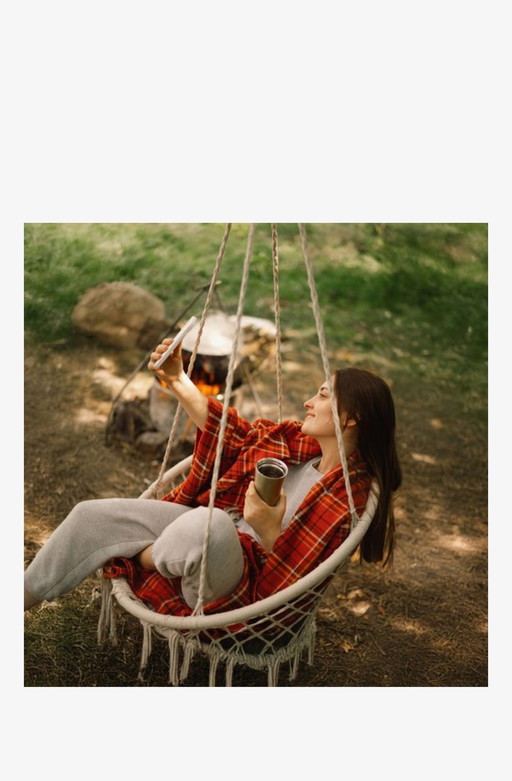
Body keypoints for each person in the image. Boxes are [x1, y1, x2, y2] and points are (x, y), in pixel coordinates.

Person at [24, 337, 402, 615]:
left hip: (238, 590)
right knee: (91, 514)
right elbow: (233, 435)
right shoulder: (298, 450)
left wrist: (267, 530)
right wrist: (176, 379)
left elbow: (291, 588)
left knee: (210, 521)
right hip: (206, 543)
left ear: (350, 418)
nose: (308, 402)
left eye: (322, 396)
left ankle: (143, 557)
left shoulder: (344, 501)